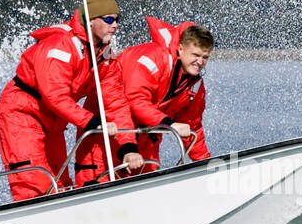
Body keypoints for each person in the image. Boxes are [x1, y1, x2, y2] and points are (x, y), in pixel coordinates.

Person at [0, 0, 143, 201]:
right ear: (91, 22)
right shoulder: (60, 46)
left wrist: (128, 146)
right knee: (35, 182)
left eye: (118, 19)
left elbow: (116, 104)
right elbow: (54, 96)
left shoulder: (106, 57)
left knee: (62, 184)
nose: (115, 25)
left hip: (54, 123)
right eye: (109, 19)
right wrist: (92, 121)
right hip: (21, 115)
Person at [75, 17, 213, 177]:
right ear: (181, 49)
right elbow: (134, 101)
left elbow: (192, 126)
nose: (200, 62)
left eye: (205, 57)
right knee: (97, 180)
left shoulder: (194, 86)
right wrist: (169, 123)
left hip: (147, 139)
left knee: (148, 184)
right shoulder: (150, 59)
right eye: (195, 55)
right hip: (107, 130)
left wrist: (206, 165)